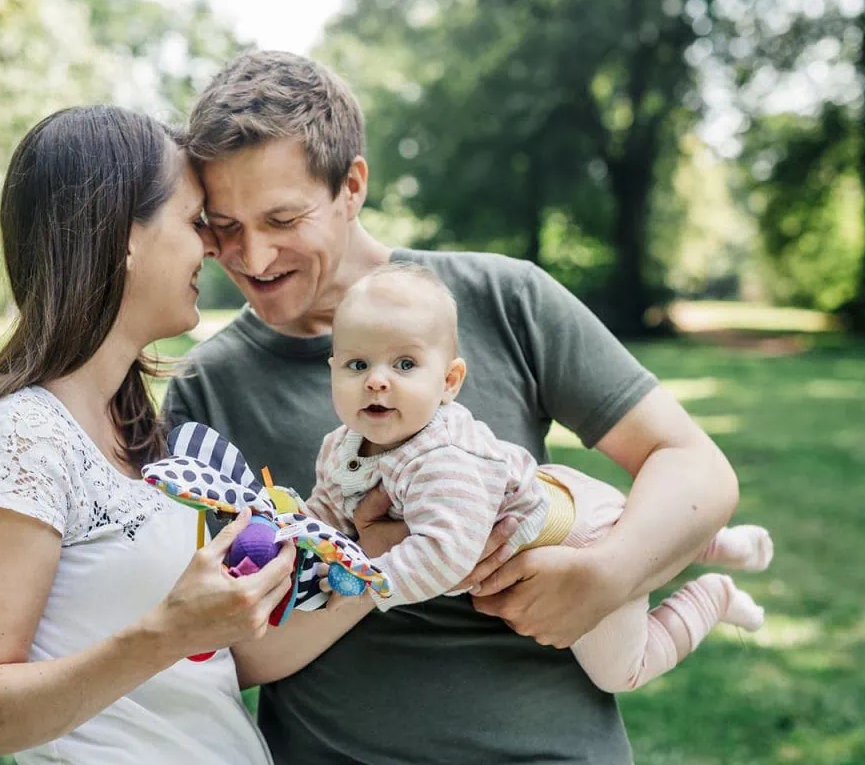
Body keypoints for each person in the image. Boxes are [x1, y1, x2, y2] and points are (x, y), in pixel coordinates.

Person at [163, 51, 743, 763]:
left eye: (283, 218)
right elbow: (229, 655)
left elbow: (695, 466)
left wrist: (610, 572)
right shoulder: (206, 391)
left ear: (352, 185)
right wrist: (373, 554)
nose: (251, 257)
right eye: (223, 226)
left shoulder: (506, 299)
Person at [0, 106, 303, 765]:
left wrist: (388, 541)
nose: (211, 247)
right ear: (124, 236)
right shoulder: (15, 437)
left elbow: (216, 662)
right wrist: (168, 629)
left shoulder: (141, 433)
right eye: (192, 221)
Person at [304, 262, 773, 692]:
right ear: (333, 371)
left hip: (580, 540)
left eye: (404, 364)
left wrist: (368, 578)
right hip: (557, 495)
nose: (376, 380)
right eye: (357, 364)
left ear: (449, 381)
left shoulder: (444, 461)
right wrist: (296, 527)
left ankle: (714, 595)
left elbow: (445, 555)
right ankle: (718, 544)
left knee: (621, 672)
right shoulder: (341, 445)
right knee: (635, 520)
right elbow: (330, 505)